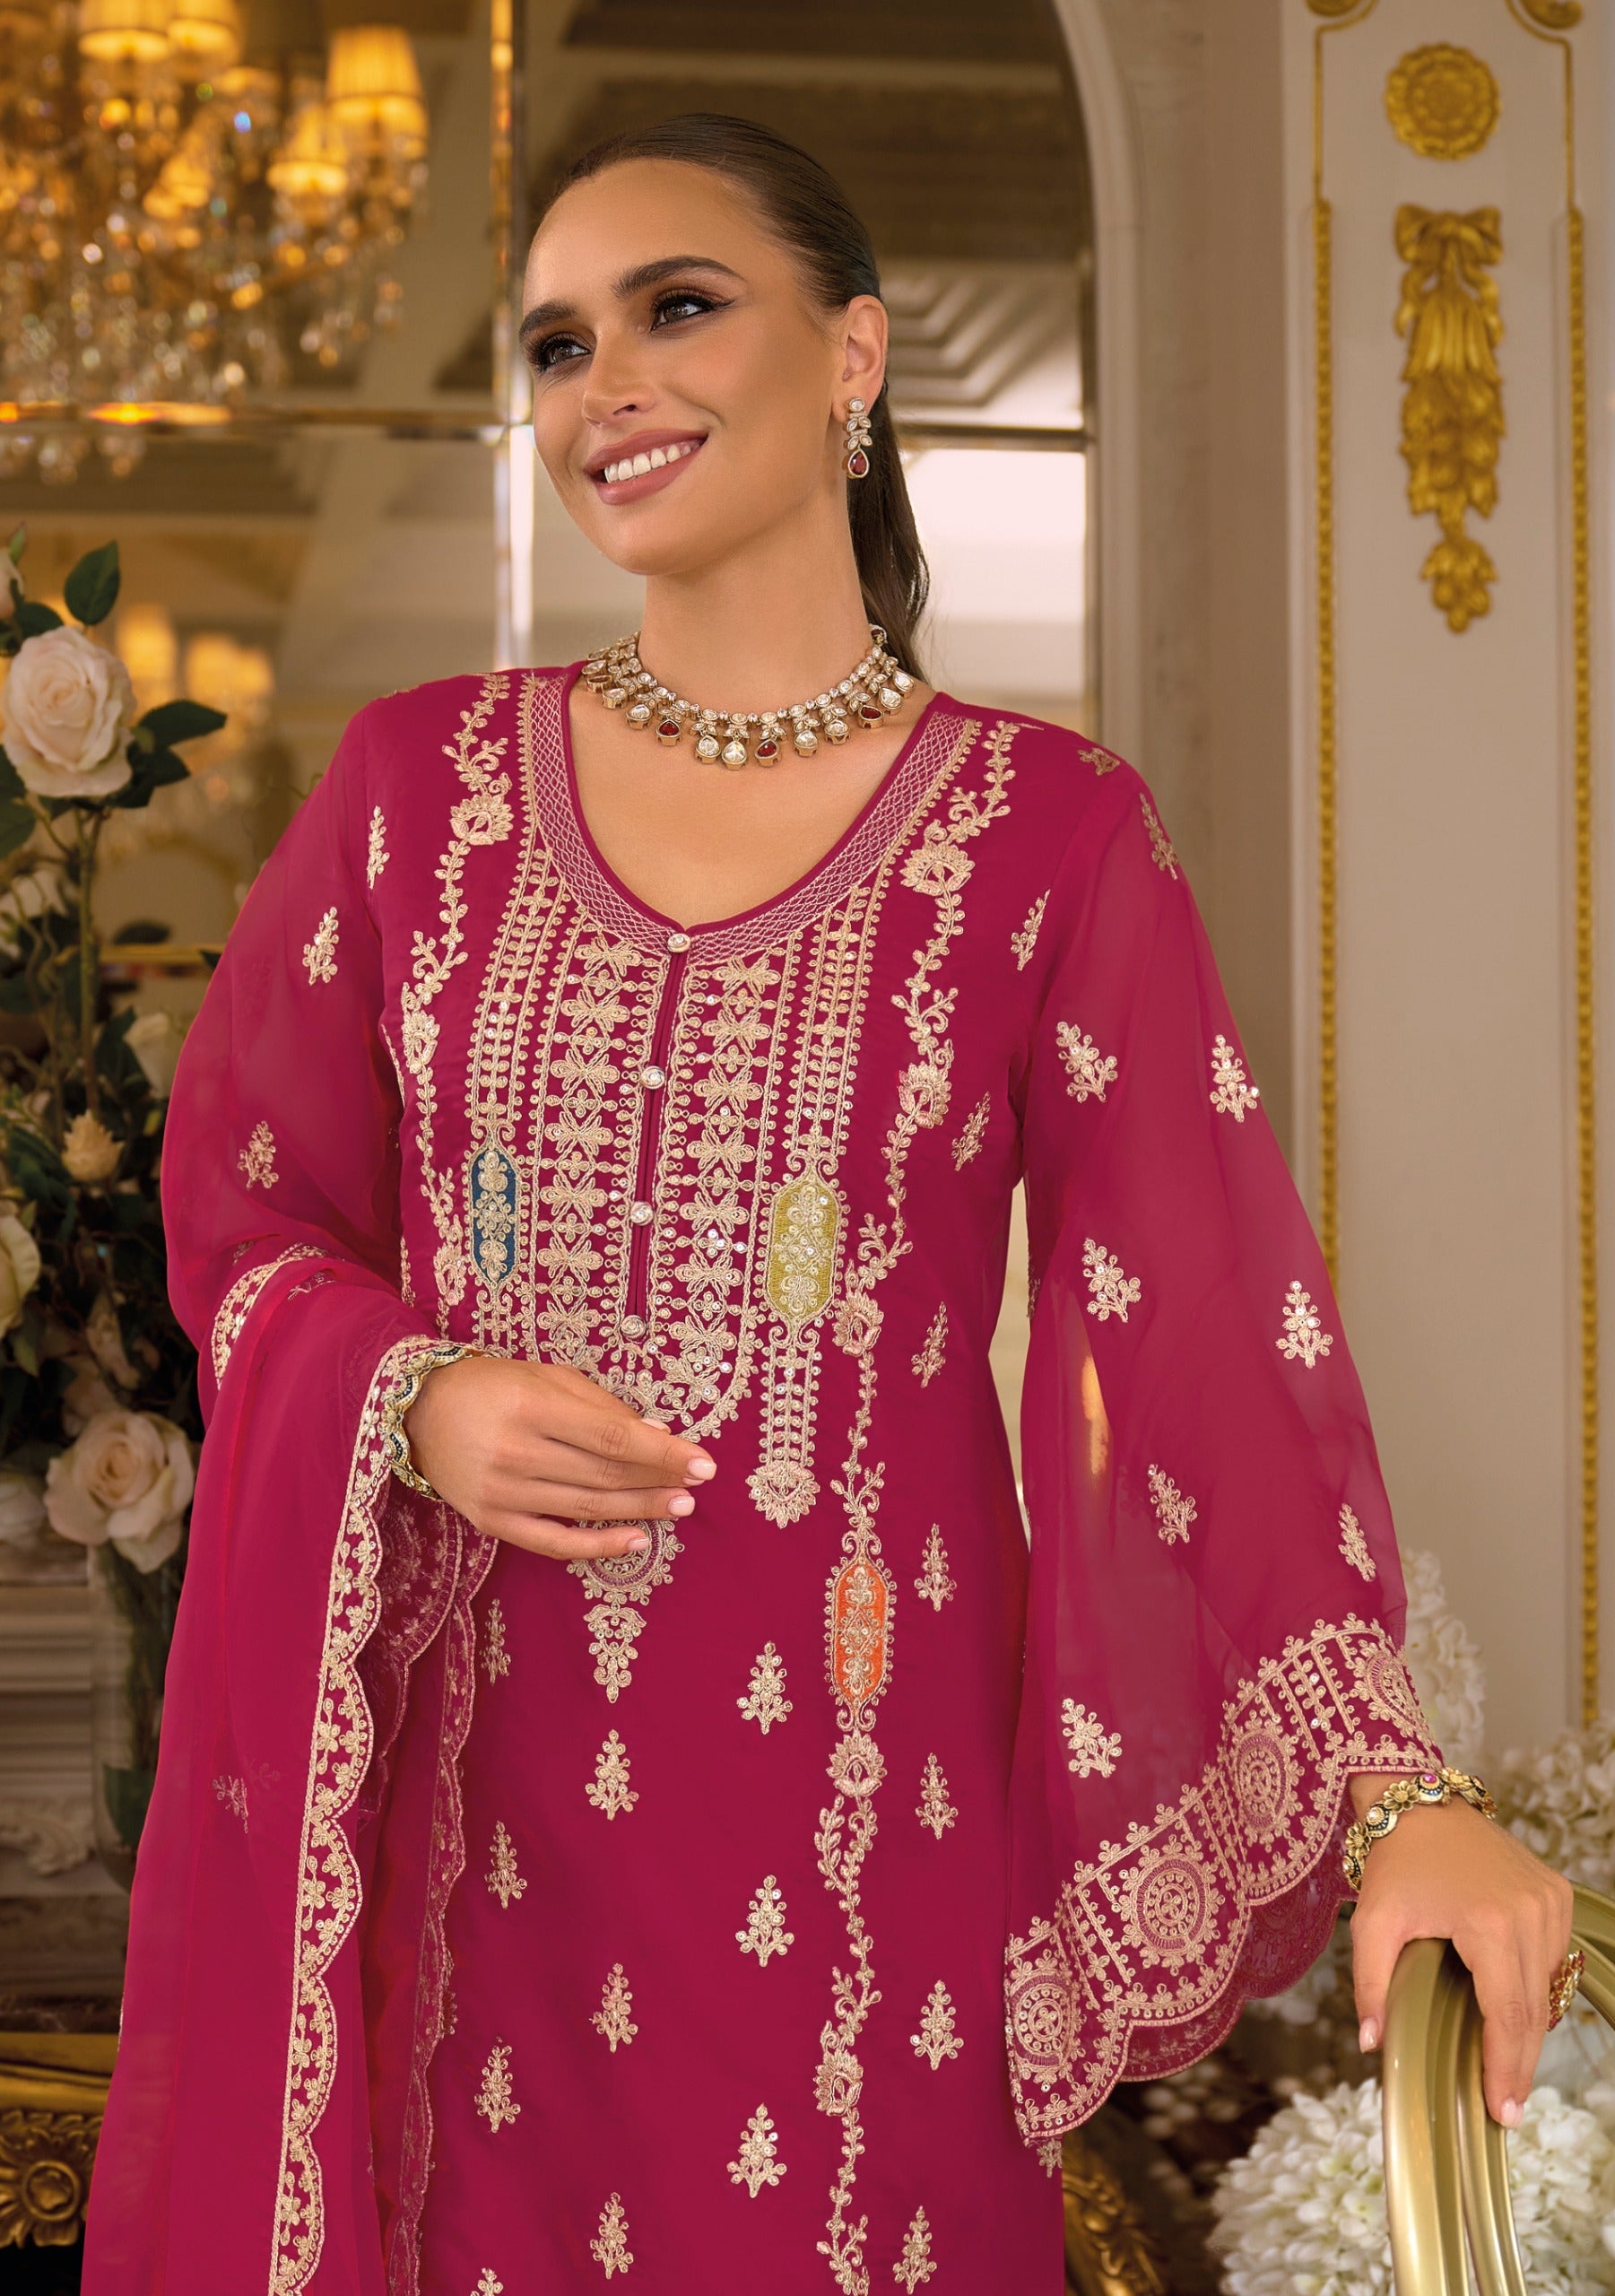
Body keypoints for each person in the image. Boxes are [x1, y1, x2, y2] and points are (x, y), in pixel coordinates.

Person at [84, 113, 1572, 2296]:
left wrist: (1389, 1791)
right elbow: (240, 1208)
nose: (611, 382)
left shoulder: (1048, 835)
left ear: (856, 355)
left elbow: (1204, 1344)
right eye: (561, 339)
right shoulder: (414, 798)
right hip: (471, 1838)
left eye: (680, 305)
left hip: (860, 1840)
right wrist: (410, 1397)